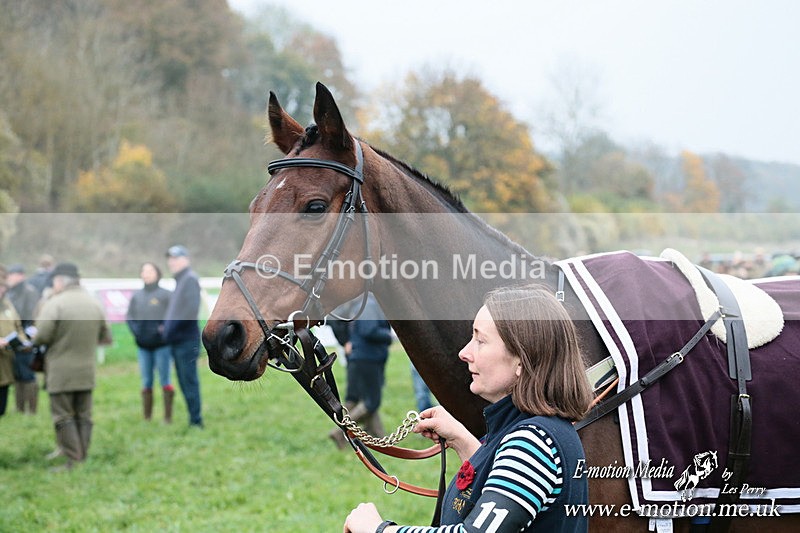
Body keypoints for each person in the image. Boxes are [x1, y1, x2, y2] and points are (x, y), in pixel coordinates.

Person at [343, 284, 593, 533]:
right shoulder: (536, 432)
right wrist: (462, 440)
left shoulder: (533, 443)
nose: (464, 353)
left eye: (480, 341)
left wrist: (378, 530)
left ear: (522, 360)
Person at [32, 262, 111, 470]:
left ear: (59, 281)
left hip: (60, 371)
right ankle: (82, 455)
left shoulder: (56, 303)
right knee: (84, 414)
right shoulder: (94, 303)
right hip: (87, 369)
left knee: (63, 415)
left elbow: (40, 336)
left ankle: (73, 460)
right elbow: (105, 335)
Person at [329, 293, 392, 448]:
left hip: (361, 357)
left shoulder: (360, 303)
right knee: (371, 402)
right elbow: (369, 330)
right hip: (368, 358)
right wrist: (389, 336)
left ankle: (377, 436)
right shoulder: (369, 304)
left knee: (364, 399)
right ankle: (339, 432)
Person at [126, 262, 174, 422]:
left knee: (165, 379)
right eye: (144, 271)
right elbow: (130, 317)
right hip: (143, 346)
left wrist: (163, 330)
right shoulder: (137, 296)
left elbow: (173, 316)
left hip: (162, 346)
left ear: (157, 274)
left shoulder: (166, 294)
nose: (146, 273)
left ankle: (167, 418)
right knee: (146, 381)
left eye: (150, 270)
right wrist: (136, 332)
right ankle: (147, 417)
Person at [163, 245, 203, 428]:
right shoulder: (181, 280)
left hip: (186, 341)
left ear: (185, 259)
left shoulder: (189, 279)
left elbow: (190, 311)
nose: (172, 262)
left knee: (189, 381)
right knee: (184, 381)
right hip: (178, 340)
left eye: (176, 258)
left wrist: (171, 330)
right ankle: (192, 417)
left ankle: (196, 421)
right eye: (170, 259)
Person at [6, 264, 41, 413]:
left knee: (28, 374)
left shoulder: (29, 291)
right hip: (15, 338)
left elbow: (31, 316)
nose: (9, 278)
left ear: (20, 275)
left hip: (26, 338)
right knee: (18, 374)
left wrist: (26, 337)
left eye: (11, 275)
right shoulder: (12, 292)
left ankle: (31, 409)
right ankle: (20, 407)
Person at [0, 265, 31, 417]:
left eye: (2, 287)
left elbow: (18, 326)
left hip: (6, 360)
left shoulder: (8, 305)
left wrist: (22, 341)